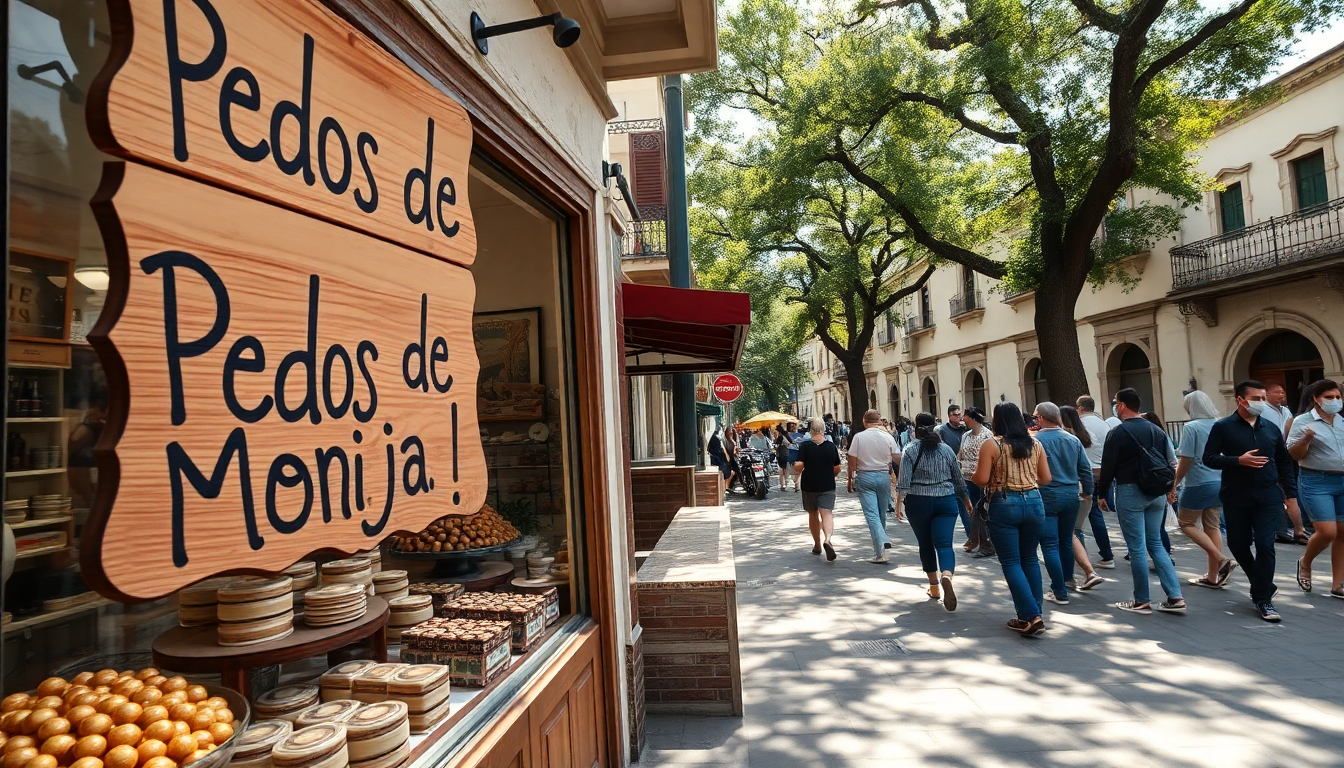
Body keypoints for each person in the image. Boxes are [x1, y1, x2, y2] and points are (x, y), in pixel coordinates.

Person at [1203, 380, 1299, 623]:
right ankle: (1263, 582)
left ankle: (1262, 597)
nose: (1262, 403)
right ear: (1241, 400)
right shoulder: (1223, 427)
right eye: (1257, 398)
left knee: (1266, 545)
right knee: (1238, 543)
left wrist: (1290, 493)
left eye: (1263, 398)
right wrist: (1237, 461)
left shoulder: (1270, 428)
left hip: (1268, 496)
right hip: (1236, 494)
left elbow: (1285, 461)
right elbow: (1209, 458)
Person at [1098, 389, 1185, 615]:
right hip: (1156, 493)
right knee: (1155, 543)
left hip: (1129, 491)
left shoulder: (1117, 433)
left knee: (1136, 547)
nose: (1115, 406)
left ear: (1124, 405)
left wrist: (1102, 494)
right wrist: (1171, 490)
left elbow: (1108, 467)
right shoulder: (1157, 430)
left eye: (1116, 403)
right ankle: (1175, 597)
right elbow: (1171, 462)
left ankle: (1142, 601)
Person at [973, 402, 1051, 637]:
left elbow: (981, 479)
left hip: (1005, 502)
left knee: (1010, 561)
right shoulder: (1035, 444)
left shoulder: (992, 445)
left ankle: (1030, 615)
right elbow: (1045, 478)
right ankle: (1033, 613)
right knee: (1029, 558)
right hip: (1034, 501)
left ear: (997, 420)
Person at [897, 413, 972, 610]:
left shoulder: (910, 450)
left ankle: (934, 587)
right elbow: (958, 479)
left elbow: (903, 483)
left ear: (915, 427)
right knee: (945, 545)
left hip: (918, 502)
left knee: (926, 544)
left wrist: (898, 506)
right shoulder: (946, 450)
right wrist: (966, 501)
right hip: (946, 502)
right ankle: (947, 575)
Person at [1033, 402, 1095, 605]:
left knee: (1050, 544)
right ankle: (1067, 580)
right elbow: (1085, 469)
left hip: (1047, 495)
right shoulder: (1073, 440)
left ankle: (1058, 590)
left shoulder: (1035, 441)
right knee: (1066, 540)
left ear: (1041, 418)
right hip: (1071, 494)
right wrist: (1088, 491)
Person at [1174, 391, 1237, 590]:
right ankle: (1212, 576)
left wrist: (1175, 482)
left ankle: (1221, 559)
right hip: (1220, 481)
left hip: (1197, 483)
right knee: (1213, 526)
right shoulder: (1222, 424)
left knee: (1185, 522)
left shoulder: (1191, 427)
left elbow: (1186, 459)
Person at [1288, 379, 1344, 599]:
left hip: (1342, 481)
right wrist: (1307, 438)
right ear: (1316, 399)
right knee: (1327, 532)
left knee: (1342, 533)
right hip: (1316, 481)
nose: (1334, 401)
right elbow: (1295, 454)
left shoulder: (1341, 421)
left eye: (1338, 397)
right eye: (1329, 397)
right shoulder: (1302, 422)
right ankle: (1305, 562)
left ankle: (1338, 584)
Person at [846, 410, 902, 563]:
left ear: (865, 421)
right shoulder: (888, 437)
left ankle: (882, 543)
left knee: (872, 514)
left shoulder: (858, 437)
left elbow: (852, 460)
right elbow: (897, 458)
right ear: (878, 422)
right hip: (884, 476)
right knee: (881, 514)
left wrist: (851, 478)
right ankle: (880, 554)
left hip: (865, 476)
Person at [1059, 406, 1105, 590]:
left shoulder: (1066, 439)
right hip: (1087, 484)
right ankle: (1084, 567)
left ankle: (1081, 571)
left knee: (1068, 533)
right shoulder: (1087, 435)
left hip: (1071, 486)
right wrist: (1090, 490)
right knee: (1078, 530)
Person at [1076, 396, 1117, 570]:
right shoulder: (1104, 424)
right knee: (1096, 513)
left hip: (1088, 473)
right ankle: (1103, 554)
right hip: (1104, 471)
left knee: (1089, 515)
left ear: (1081, 408)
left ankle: (1104, 555)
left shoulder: (1080, 425)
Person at [795, 418, 842, 559]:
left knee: (813, 514)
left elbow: (798, 465)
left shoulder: (805, 446)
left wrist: (798, 468)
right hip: (827, 484)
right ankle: (827, 539)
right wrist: (830, 475)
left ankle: (817, 545)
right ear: (823, 430)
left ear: (811, 430)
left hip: (809, 485)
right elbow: (838, 467)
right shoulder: (831, 446)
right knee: (827, 513)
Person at [958, 407, 995, 557]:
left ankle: (985, 542)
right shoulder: (966, 435)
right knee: (973, 510)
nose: (962, 419)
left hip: (982, 477)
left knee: (982, 511)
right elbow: (960, 454)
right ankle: (975, 539)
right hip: (967, 478)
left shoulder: (987, 435)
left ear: (972, 418)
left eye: (964, 416)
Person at [774, 424, 795, 491]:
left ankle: (783, 484)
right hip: (786, 452)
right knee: (785, 468)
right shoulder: (786, 435)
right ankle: (786, 483)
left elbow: (776, 443)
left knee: (782, 469)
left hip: (780, 453)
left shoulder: (780, 436)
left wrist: (775, 438)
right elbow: (792, 442)